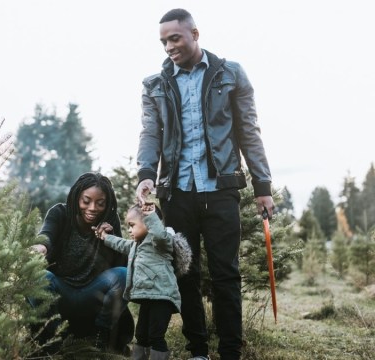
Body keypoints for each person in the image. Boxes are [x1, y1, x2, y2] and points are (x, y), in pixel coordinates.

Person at [134, 8, 275, 360]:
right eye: (163, 41)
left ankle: (230, 352)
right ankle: (198, 351)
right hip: (177, 192)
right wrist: (146, 173)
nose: (169, 46)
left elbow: (249, 132)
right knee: (186, 273)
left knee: (226, 274)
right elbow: (151, 133)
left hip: (221, 190)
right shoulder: (155, 85)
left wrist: (262, 186)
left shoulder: (230, 75)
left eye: (175, 38)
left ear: (194, 34)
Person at [31, 172, 134, 354]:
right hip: (61, 293)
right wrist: (41, 247)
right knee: (40, 276)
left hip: (92, 296)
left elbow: (122, 267)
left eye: (100, 203)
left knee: (123, 274)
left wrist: (109, 239)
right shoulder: (60, 213)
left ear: (107, 203)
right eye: (86, 201)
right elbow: (47, 234)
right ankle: (54, 341)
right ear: (76, 196)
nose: (93, 208)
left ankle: (99, 338)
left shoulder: (109, 221)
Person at [96, 203, 189, 360]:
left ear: (148, 223)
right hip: (148, 297)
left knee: (155, 336)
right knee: (141, 335)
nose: (129, 230)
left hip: (162, 297)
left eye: (132, 225)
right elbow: (121, 244)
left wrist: (151, 215)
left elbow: (159, 234)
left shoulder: (161, 242)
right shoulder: (136, 245)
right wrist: (105, 237)